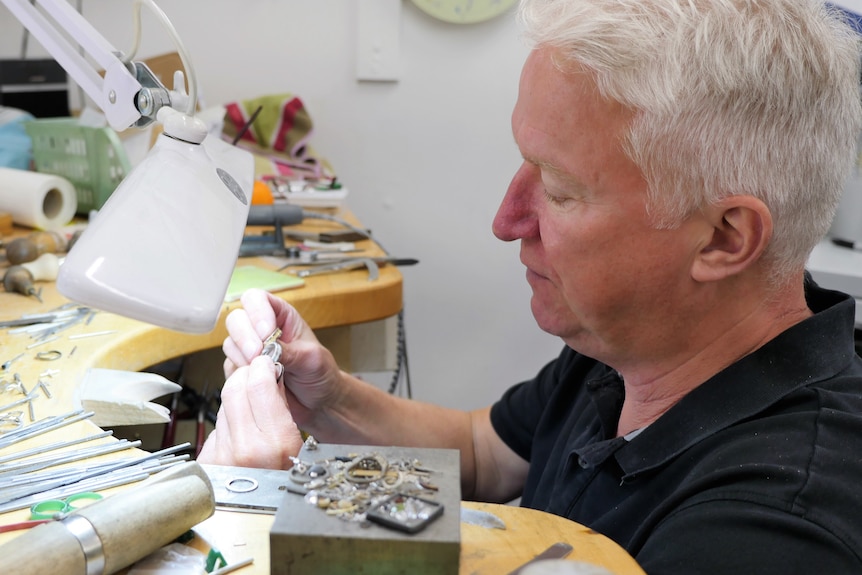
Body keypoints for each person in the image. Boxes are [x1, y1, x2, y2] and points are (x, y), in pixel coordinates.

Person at [199, 0, 862, 572]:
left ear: (723, 237)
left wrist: (271, 513)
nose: (506, 220)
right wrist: (331, 400)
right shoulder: (638, 340)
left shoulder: (764, 528)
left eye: (560, 188)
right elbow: (483, 452)